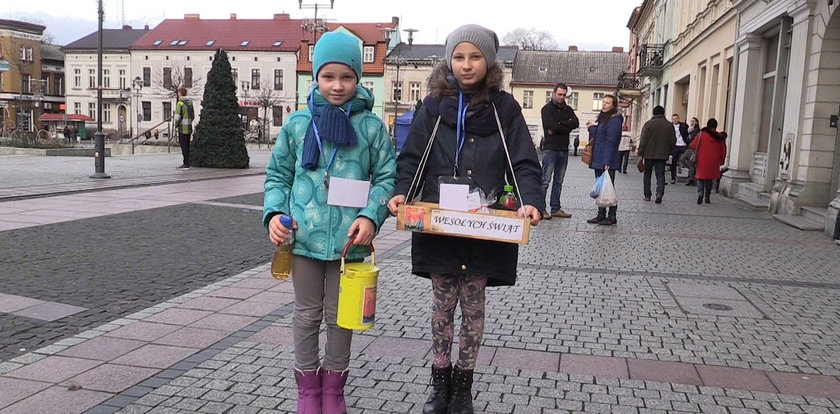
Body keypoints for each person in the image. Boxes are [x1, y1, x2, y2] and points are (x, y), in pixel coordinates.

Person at [387, 24, 543, 414]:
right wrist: (401, 190)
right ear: (448, 61)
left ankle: (463, 388)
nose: (466, 65)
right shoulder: (434, 106)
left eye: (475, 56)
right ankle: (439, 386)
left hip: (483, 227)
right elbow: (411, 157)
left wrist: (530, 201)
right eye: (459, 57)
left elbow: (524, 160)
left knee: (474, 310)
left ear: (488, 60)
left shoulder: (504, 108)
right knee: (442, 307)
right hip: (440, 225)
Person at [263, 31, 397, 414]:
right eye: (328, 77)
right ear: (315, 78)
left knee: (342, 317)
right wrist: (274, 214)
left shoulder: (371, 128)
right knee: (306, 315)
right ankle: (307, 388)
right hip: (302, 238)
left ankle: (334, 389)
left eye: (346, 77)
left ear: (358, 78)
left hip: (348, 242)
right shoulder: (298, 124)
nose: (337, 86)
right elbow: (277, 176)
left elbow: (387, 178)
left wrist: (372, 215)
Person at [539, 82, 579, 219]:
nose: (562, 97)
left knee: (559, 182)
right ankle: (540, 208)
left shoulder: (568, 109)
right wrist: (564, 126)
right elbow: (551, 125)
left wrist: (560, 125)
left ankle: (555, 208)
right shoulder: (546, 109)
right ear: (554, 93)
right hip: (550, 149)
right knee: (545, 180)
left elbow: (575, 123)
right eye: (559, 94)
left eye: (564, 94)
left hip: (563, 149)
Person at [585, 95, 623, 225]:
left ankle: (612, 216)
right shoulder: (604, 118)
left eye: (607, 103)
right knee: (601, 187)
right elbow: (601, 134)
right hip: (599, 158)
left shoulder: (614, 120)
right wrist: (591, 127)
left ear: (613, 105)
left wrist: (607, 162)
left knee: (609, 187)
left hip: (607, 160)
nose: (604, 105)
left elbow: (610, 142)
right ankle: (601, 214)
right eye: (603, 102)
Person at [637, 105, 676, 203]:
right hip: (662, 155)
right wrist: (668, 150)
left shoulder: (648, 124)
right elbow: (673, 140)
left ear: (653, 113)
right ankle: (659, 193)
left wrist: (640, 153)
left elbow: (643, 140)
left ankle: (647, 195)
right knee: (660, 175)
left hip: (648, 154)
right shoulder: (669, 125)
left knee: (647, 174)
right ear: (663, 113)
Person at [690, 118, 727, 204]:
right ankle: (707, 195)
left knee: (700, 177)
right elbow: (723, 149)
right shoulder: (719, 136)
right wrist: (722, 160)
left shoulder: (701, 134)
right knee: (709, 179)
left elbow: (692, 145)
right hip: (714, 160)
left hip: (702, 159)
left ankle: (700, 193)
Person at [172, 87, 195, 170]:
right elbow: (193, 115)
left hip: (182, 128)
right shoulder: (190, 103)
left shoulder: (180, 103)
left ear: (180, 93)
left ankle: (185, 164)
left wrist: (176, 125)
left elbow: (177, 117)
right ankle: (188, 162)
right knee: (188, 145)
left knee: (183, 146)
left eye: (178, 93)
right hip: (189, 127)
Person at [669, 113, 689, 184]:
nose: (675, 120)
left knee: (686, 159)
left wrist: (687, 142)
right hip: (675, 146)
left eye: (676, 118)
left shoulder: (684, 126)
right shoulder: (670, 126)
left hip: (683, 145)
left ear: (678, 119)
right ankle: (673, 178)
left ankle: (690, 175)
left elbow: (687, 133)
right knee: (673, 162)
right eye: (673, 119)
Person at [683, 117, 700, 186]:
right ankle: (692, 176)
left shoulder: (697, 130)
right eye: (691, 121)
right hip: (689, 147)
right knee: (686, 161)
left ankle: (691, 178)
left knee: (690, 162)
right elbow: (687, 139)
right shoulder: (690, 130)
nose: (692, 123)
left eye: (693, 121)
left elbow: (692, 139)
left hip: (693, 148)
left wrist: (690, 138)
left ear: (696, 122)